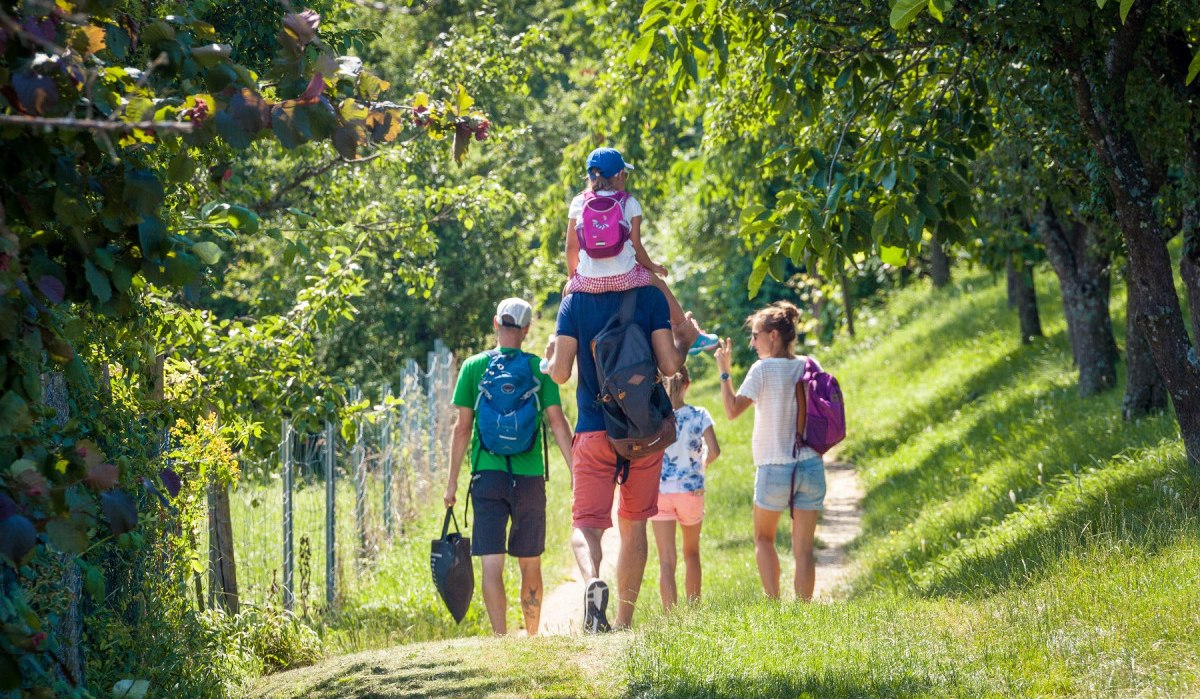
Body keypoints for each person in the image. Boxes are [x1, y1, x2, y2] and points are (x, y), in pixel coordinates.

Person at [544, 285, 697, 632]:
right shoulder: (649, 295)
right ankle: (623, 621)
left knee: (586, 525)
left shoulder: (573, 303)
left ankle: (592, 582)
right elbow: (671, 365)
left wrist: (550, 355)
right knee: (634, 524)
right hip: (643, 431)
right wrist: (685, 339)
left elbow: (560, 373)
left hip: (594, 429)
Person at [443, 297, 574, 636]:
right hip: (529, 476)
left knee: (491, 563)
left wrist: (451, 485)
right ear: (527, 329)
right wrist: (578, 473)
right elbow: (557, 424)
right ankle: (531, 637)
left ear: (495, 323)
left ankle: (501, 640)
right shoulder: (538, 369)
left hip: (487, 475)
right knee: (530, 561)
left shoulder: (473, 367)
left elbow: (462, 429)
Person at [714, 300, 825, 601]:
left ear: (773, 335)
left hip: (774, 466)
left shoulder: (762, 369)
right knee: (804, 548)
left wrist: (724, 372)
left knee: (764, 539)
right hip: (811, 465)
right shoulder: (808, 364)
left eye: (755, 335)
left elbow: (732, 410)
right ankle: (803, 611)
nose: (752, 342)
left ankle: (774, 607)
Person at [562, 147, 718, 356]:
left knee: (566, 293)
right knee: (658, 284)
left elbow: (571, 247)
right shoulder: (630, 203)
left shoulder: (578, 202)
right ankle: (687, 332)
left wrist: (573, 277)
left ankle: (556, 348)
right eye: (625, 174)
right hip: (626, 277)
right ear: (618, 175)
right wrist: (653, 267)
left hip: (588, 281)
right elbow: (636, 247)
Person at [650, 365, 720, 611]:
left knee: (666, 561)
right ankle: (694, 611)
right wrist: (702, 466)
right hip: (692, 490)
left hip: (661, 492)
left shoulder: (656, 417)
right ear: (687, 384)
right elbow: (715, 450)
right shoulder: (700, 414)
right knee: (692, 553)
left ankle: (671, 618)